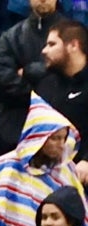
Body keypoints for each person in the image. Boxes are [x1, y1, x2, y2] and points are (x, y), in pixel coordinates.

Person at [0, 93, 84, 226]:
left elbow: (79, 221)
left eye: (63, 139)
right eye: (55, 138)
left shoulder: (66, 170)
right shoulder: (2, 167)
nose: (61, 145)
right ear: (38, 137)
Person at [0, 0, 63, 157]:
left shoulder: (74, 36)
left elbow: (76, 77)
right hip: (16, 132)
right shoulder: (10, 38)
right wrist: (47, 87)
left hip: (64, 131)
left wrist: (30, 71)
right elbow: (3, 83)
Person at [37, 20, 88, 181]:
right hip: (48, 173)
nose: (44, 51)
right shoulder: (46, 84)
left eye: (52, 44)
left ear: (73, 45)